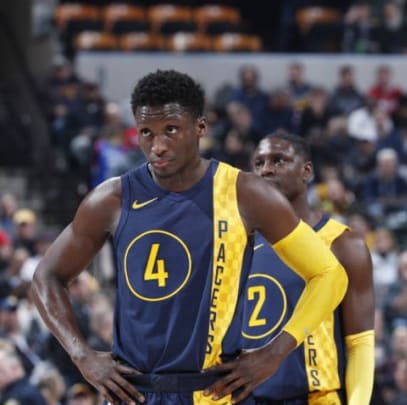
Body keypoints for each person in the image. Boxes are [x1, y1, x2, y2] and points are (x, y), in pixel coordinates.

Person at [30, 69, 349, 405]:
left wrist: (274, 353)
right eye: (146, 133)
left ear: (199, 127)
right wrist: (82, 356)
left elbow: (329, 274)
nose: (158, 145)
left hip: (212, 390)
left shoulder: (245, 193)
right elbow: (46, 277)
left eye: (171, 130)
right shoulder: (112, 199)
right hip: (133, 391)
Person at [230, 131, 374, 404]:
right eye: (258, 163)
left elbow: (360, 345)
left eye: (279, 160)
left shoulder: (343, 243)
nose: (266, 170)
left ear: (306, 171)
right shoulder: (235, 243)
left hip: (314, 396)